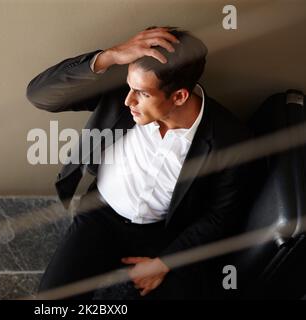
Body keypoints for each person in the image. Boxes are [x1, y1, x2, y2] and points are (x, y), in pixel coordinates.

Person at [26, 26, 253, 299]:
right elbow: (40, 95)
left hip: (165, 234)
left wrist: (166, 262)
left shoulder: (230, 140)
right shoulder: (122, 94)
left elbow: (222, 214)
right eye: (130, 87)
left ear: (179, 96)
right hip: (100, 215)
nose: (128, 100)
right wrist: (109, 56)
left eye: (142, 94)